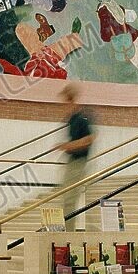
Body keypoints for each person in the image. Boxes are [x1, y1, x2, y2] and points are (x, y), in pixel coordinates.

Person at [58, 84, 94, 231]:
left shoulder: (81, 117)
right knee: (67, 198)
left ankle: (69, 231)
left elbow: (89, 139)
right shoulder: (72, 118)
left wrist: (68, 146)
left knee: (70, 198)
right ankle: (67, 228)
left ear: (69, 100)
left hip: (78, 161)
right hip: (72, 160)